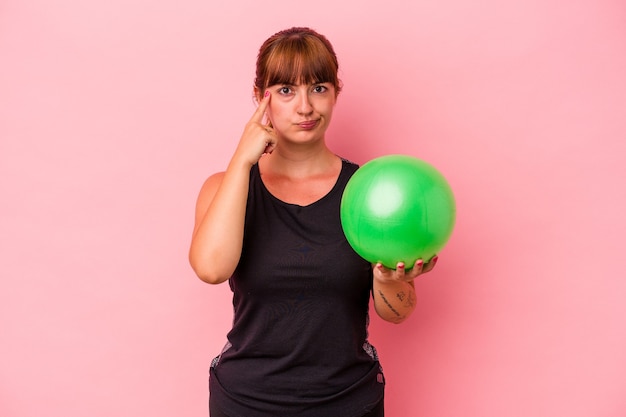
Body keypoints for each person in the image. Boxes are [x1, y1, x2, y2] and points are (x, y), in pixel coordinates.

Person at [189, 27, 438, 417]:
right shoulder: (224, 188)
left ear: (336, 92)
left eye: (319, 88)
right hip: (245, 402)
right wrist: (242, 160)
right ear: (260, 97)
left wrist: (391, 280)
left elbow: (397, 311)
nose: (305, 107)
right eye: (286, 90)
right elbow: (211, 269)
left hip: (348, 402)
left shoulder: (367, 193)